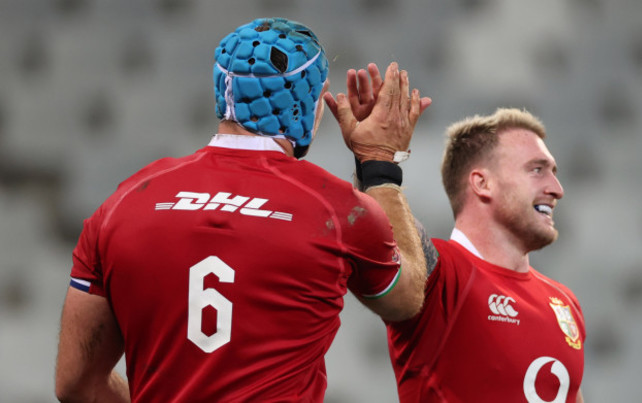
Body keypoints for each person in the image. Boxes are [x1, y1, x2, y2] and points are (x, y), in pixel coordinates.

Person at [54, 17, 431, 402]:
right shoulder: (336, 210)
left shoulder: (125, 201)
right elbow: (406, 299)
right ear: (311, 104)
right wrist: (380, 164)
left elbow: (75, 384)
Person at [329, 77, 586, 402]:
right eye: (537, 170)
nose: (556, 188)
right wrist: (375, 163)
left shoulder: (565, 303)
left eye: (554, 171)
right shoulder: (441, 273)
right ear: (482, 183)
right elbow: (383, 233)